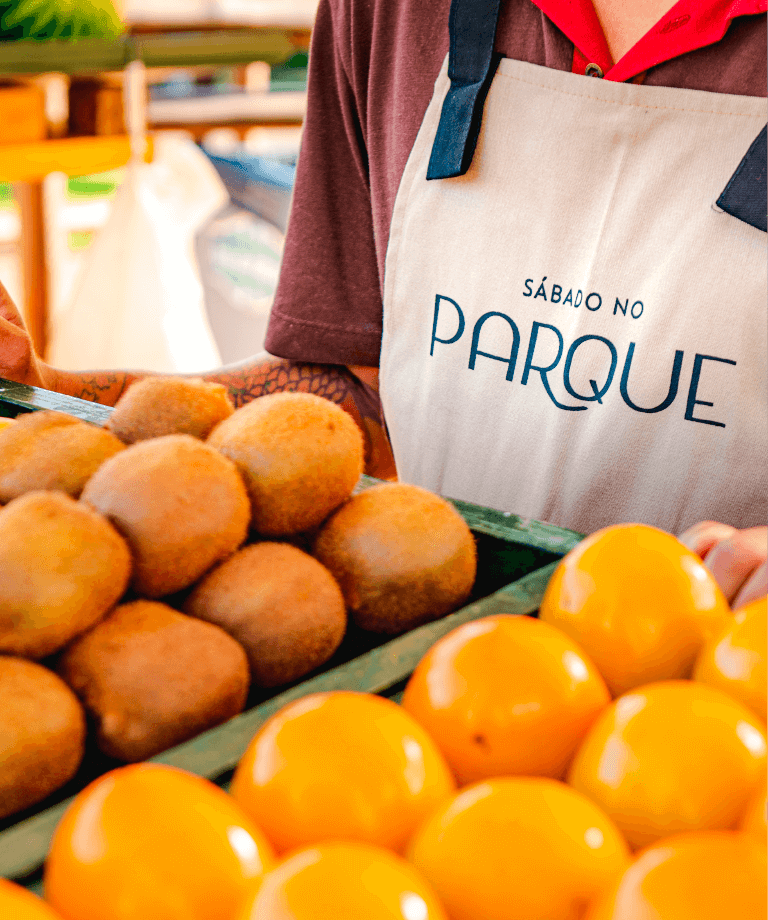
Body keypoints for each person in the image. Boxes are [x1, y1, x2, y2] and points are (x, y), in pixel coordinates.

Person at [1, 0, 765, 607]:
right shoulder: (391, 12)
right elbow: (356, 404)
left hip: (719, 729)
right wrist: (44, 391)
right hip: (427, 699)